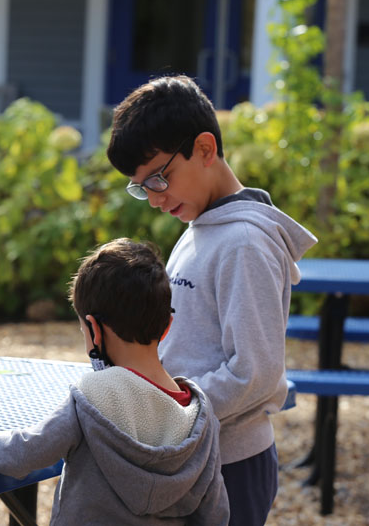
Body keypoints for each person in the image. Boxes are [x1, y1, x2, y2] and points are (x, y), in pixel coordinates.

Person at [106, 75, 318, 525]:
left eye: (159, 179)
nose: (153, 199)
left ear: (205, 148)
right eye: (142, 187)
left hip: (230, 464)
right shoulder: (202, 227)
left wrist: (171, 411)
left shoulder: (244, 243)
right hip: (194, 450)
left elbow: (256, 372)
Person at [0, 238, 229, 525]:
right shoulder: (199, 414)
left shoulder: (94, 396)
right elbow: (215, 513)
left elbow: (24, 453)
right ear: (167, 325)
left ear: (94, 330)